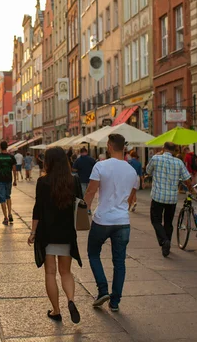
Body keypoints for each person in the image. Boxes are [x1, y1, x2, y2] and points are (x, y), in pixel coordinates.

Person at [83, 134, 139, 312]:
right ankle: (115, 302)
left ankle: (102, 290)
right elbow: (130, 199)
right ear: (124, 147)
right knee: (119, 261)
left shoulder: (100, 165)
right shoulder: (132, 171)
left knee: (93, 253)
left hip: (102, 219)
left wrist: (84, 210)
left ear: (108, 146)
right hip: (123, 221)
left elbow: (91, 191)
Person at [28, 147, 83, 324]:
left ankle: (56, 310)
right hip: (66, 232)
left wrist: (33, 232)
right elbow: (80, 206)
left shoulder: (42, 182)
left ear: (48, 162)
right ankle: (71, 300)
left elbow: (37, 209)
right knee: (66, 272)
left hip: (47, 232)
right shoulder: (74, 181)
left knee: (50, 273)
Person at [145, 142, 194, 257]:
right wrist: (192, 190)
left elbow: (148, 171)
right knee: (168, 222)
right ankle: (166, 245)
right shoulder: (178, 162)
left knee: (156, 221)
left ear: (163, 149)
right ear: (175, 150)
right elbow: (187, 178)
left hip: (158, 197)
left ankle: (164, 241)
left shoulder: (156, 158)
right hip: (171, 198)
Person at [0, 141, 18, 225]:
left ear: (0, 147)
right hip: (9, 179)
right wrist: (15, 180)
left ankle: (6, 218)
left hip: (0, 180)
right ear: (7, 147)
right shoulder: (11, 157)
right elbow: (14, 169)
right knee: (8, 196)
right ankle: (10, 213)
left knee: (2, 199)